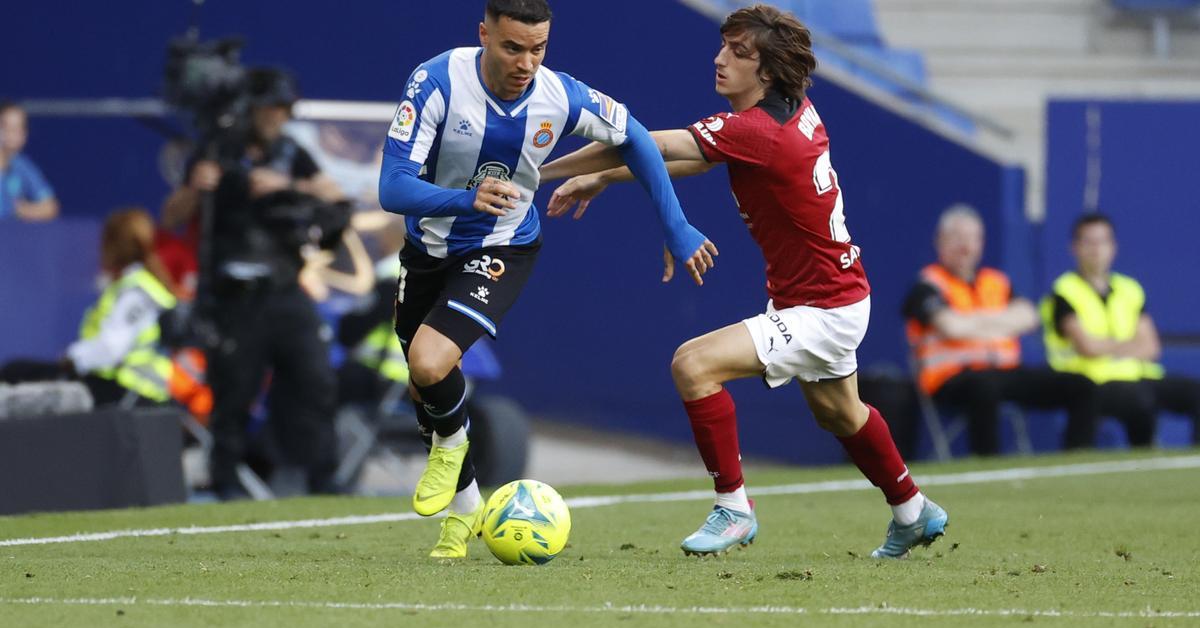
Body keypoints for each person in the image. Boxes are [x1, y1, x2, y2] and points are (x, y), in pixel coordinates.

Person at [541, 4, 944, 559]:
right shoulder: (791, 110)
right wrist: (603, 178)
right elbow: (699, 160)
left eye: (740, 52)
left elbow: (646, 144)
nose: (720, 58)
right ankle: (914, 511)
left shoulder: (757, 131)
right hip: (837, 294)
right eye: (724, 45)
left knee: (693, 364)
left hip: (822, 309)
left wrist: (543, 170)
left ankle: (733, 508)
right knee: (838, 412)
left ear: (769, 71)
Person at [378, 0, 717, 558]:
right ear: (483, 35)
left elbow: (634, 135)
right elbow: (392, 187)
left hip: (503, 246)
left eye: (538, 49)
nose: (526, 63)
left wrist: (676, 225)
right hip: (427, 250)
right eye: (512, 47)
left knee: (430, 361)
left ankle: (448, 457)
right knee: (425, 386)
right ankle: (463, 516)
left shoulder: (559, 95)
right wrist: (465, 199)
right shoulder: (436, 81)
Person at [162, 68, 350, 500]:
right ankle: (226, 480)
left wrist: (290, 185)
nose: (277, 117)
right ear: (252, 109)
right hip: (234, 298)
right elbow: (172, 216)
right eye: (270, 108)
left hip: (285, 290)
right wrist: (195, 187)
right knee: (232, 392)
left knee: (316, 380)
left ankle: (324, 478)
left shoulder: (291, 154)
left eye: (284, 109)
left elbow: (336, 198)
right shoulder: (215, 153)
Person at [901, 205, 1098, 456]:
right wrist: (1001, 322)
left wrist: (971, 323)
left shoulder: (997, 282)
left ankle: (1078, 461)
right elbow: (951, 327)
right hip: (951, 379)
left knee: (1081, 385)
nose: (965, 246)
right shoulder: (927, 285)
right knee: (985, 388)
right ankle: (987, 462)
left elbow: (1029, 316)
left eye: (972, 238)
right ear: (940, 242)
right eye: (957, 238)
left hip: (1006, 373)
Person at [1043, 213, 1200, 446]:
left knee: (1193, 393)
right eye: (1089, 242)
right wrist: (1127, 345)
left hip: (1138, 375)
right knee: (1137, 399)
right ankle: (1140, 452)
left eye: (1103, 242)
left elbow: (1151, 347)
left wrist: (1107, 346)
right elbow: (1087, 347)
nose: (1096, 249)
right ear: (1074, 248)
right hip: (1090, 380)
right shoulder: (1064, 291)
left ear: (1113, 247)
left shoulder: (1130, 289)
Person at [0, 208, 177, 406]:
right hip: (119, 389)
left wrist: (72, 358)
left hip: (126, 394)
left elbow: (110, 348)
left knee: (15, 372)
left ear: (112, 246)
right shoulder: (134, 285)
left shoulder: (137, 293)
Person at [0, 101, 59, 221]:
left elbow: (50, 207)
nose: (14, 133)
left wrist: (20, 209)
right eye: (7, 127)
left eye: (20, 127)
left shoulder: (22, 165)